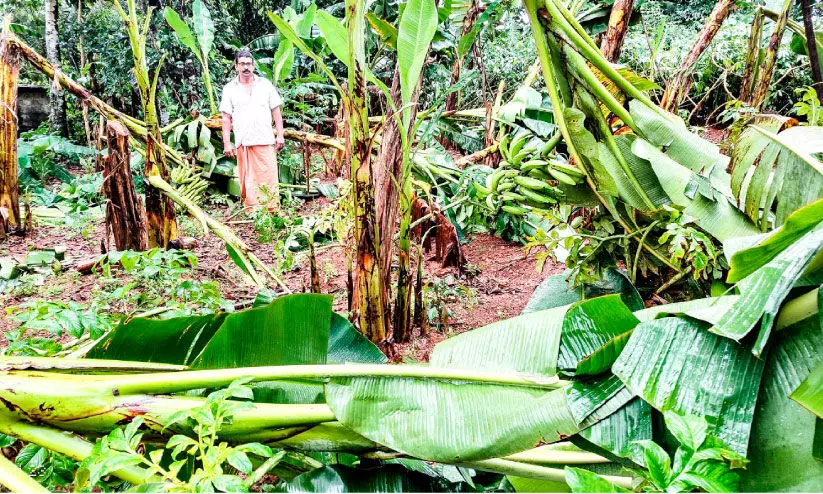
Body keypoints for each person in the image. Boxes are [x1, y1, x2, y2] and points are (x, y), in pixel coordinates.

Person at [219, 48, 285, 209]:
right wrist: (227, 143)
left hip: (265, 138)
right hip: (244, 141)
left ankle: (271, 208)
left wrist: (280, 135)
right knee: (249, 178)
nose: (246, 67)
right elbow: (226, 118)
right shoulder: (229, 89)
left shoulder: (265, 85)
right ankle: (253, 210)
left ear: (253, 66)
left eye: (249, 64)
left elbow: (276, 110)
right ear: (236, 66)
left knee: (268, 175)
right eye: (242, 64)